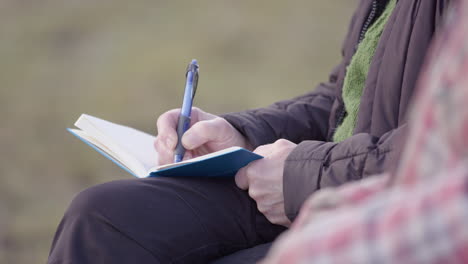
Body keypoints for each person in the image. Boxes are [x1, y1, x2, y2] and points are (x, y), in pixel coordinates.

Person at [47, 0, 450, 263]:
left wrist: (303, 177)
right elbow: (343, 98)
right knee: (102, 218)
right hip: (318, 176)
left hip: (392, 208)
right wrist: (242, 133)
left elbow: (449, 156)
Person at [261, 1, 468, 262]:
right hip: (342, 197)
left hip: (381, 215)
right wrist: (247, 131)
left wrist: (305, 178)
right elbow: (343, 98)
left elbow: (432, 160)